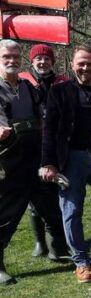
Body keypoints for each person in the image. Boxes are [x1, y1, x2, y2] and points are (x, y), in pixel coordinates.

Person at [41, 46, 91, 283]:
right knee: (71, 212)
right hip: (70, 159)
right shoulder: (59, 92)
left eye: (89, 63)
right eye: (80, 63)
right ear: (72, 65)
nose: (85, 68)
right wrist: (49, 162)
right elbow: (49, 129)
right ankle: (81, 262)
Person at [0, 40, 52, 284]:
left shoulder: (27, 86)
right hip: (9, 163)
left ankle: (57, 249)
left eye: (15, 56)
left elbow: (42, 116)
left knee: (50, 206)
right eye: (5, 57)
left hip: (34, 159)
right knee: (7, 214)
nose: (11, 60)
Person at [18, 43, 69, 260]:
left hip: (56, 142)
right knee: (35, 195)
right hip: (31, 143)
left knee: (57, 191)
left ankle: (58, 241)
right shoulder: (22, 81)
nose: (42, 62)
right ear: (32, 61)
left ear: (52, 62)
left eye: (46, 59)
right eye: (38, 58)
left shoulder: (62, 82)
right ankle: (40, 242)